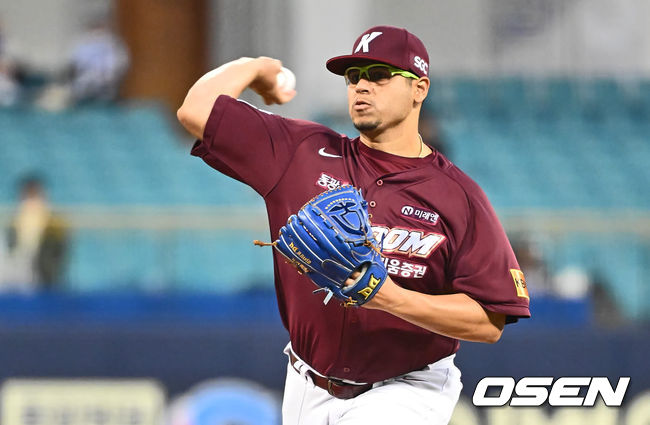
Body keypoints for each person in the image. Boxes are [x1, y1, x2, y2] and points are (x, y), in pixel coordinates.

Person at [177, 25, 530, 425]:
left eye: (379, 75)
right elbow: (195, 110)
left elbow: (489, 321)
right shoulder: (302, 153)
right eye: (353, 77)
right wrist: (254, 66)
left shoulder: (459, 196)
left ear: (420, 88)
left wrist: (389, 298)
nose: (362, 87)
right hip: (306, 384)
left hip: (407, 388)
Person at [1, 176, 68, 292]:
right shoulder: (13, 223)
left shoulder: (55, 226)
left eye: (35, 195)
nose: (31, 201)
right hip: (13, 282)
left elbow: (57, 260)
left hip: (43, 283)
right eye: (28, 195)